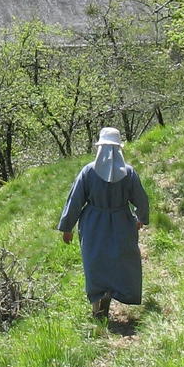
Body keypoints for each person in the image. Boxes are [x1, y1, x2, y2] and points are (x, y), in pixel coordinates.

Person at [57, 126, 149, 319]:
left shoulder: (88, 172)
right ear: (119, 148)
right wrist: (141, 217)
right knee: (121, 260)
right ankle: (112, 294)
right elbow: (141, 199)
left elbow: (75, 200)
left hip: (93, 223)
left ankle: (99, 301)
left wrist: (67, 227)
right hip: (122, 222)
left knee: (95, 261)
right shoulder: (129, 172)